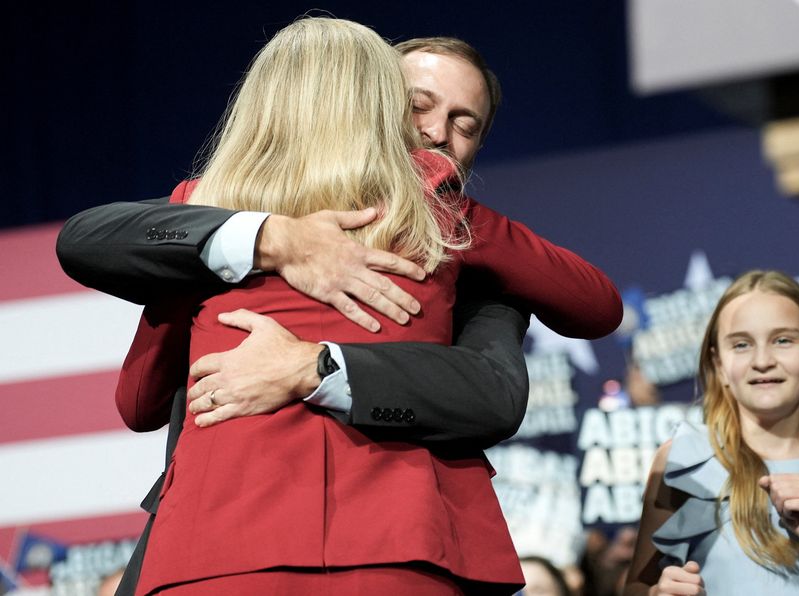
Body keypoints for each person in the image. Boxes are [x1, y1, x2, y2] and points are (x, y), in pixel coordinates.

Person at [98, 17, 620, 595]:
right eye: (417, 105)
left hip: (221, 541)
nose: (437, 133)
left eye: (462, 122)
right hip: (393, 543)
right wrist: (277, 240)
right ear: (373, 100)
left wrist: (311, 361)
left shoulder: (208, 213)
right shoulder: (444, 223)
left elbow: (138, 397)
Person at [623, 270, 799, 596]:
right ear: (719, 365)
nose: (762, 360)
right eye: (742, 345)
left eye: (783, 340)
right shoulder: (682, 459)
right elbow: (637, 585)